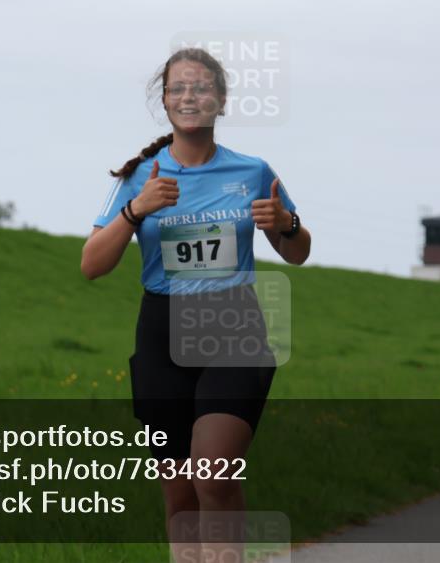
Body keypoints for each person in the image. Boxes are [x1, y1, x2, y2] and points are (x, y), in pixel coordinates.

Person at [81, 47, 311, 562]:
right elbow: (92, 265)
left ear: (221, 101)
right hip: (161, 332)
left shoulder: (253, 172)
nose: (190, 96)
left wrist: (284, 224)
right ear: (164, 101)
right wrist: (136, 211)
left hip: (233, 326)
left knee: (212, 473)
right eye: (179, 88)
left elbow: (297, 253)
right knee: (180, 493)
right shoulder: (139, 177)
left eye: (202, 87)